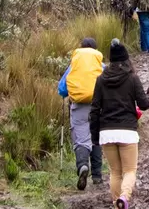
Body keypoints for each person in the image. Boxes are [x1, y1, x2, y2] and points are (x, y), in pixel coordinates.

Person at [89, 40, 149, 209]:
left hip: (106, 132)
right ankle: (124, 197)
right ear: (126, 59)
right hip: (127, 131)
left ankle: (116, 203)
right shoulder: (132, 78)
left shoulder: (101, 79)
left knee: (115, 172)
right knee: (130, 171)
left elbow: (95, 109)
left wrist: (95, 136)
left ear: (110, 60)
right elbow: (144, 104)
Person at [57, 38, 104, 191]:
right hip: (98, 106)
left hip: (78, 107)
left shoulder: (74, 65)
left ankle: (83, 166)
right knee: (96, 138)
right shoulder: (100, 64)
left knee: (81, 139)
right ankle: (97, 176)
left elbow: (62, 89)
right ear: (95, 50)